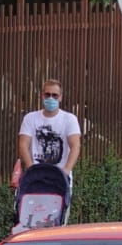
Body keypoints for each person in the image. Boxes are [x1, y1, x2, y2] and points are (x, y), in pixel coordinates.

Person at [18, 79, 81, 219]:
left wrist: (65, 170)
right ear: (42, 96)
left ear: (61, 97)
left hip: (59, 179)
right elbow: (23, 144)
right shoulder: (30, 118)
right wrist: (31, 168)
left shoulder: (69, 119)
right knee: (32, 220)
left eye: (55, 95)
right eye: (47, 95)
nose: (51, 98)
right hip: (35, 180)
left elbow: (75, 145)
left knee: (58, 220)